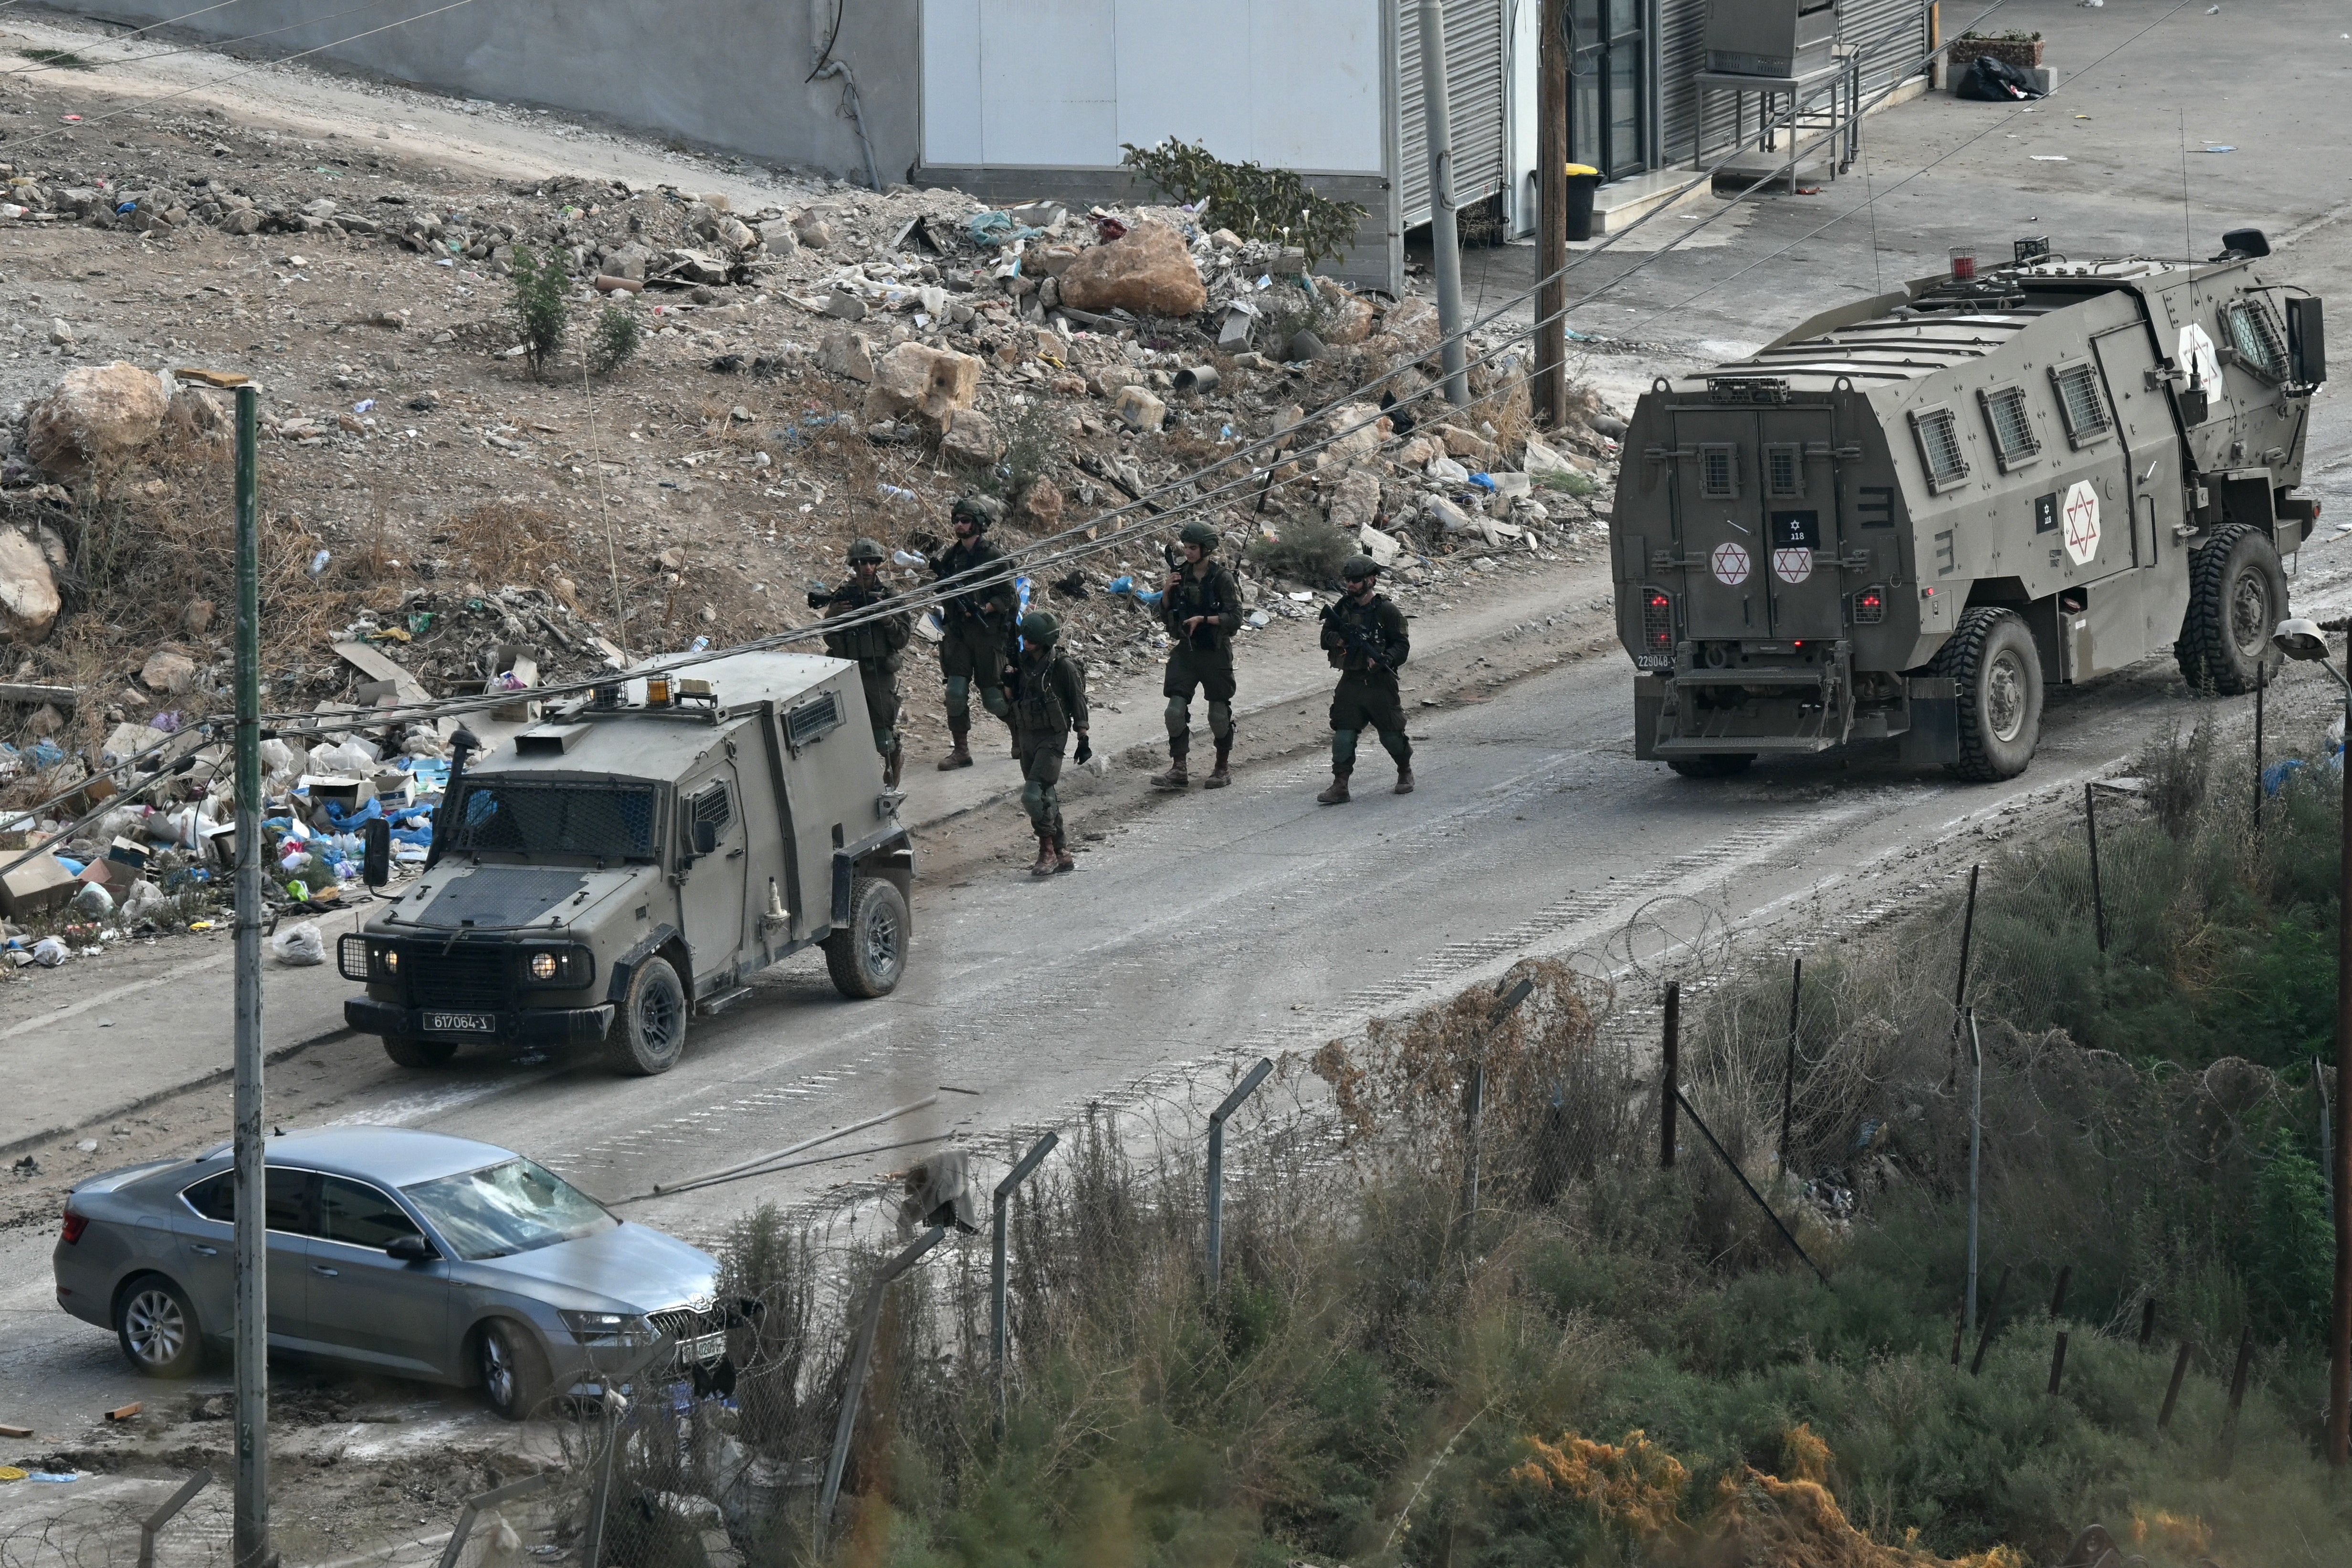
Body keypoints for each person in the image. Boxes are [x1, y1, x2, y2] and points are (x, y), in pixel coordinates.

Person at [1152, 518, 1243, 790]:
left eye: (1193, 548)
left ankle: (1222, 767)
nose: (1188, 553)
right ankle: (1179, 768)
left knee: (1218, 714)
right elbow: (1167, 618)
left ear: (1207, 549)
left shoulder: (1222, 578)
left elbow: (1235, 618)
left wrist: (1204, 619)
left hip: (1215, 652)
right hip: (1187, 652)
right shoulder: (1181, 575)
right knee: (1174, 711)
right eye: (1186, 547)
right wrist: (1167, 593)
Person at [814, 537, 912, 788]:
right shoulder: (844, 596)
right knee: (846, 730)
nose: (867, 567)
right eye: (861, 563)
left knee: (883, 737)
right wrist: (835, 617)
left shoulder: (889, 596)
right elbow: (829, 637)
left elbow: (901, 639)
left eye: (871, 562)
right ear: (853, 565)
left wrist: (886, 619)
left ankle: (893, 765)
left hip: (878, 674)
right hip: (848, 671)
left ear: (878, 564)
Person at [1316, 555, 1413, 804]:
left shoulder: (1387, 610)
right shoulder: (1343, 607)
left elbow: (1402, 646)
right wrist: (1337, 640)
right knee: (1343, 733)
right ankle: (1340, 785)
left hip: (1380, 683)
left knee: (1391, 734)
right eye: (1348, 580)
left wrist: (1386, 659)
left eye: (1356, 580)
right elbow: (1325, 635)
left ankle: (1405, 771)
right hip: (1351, 680)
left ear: (1371, 580)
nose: (1351, 585)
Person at [931, 496, 1019, 769]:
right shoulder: (952, 556)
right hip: (958, 634)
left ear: (979, 524)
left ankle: (1019, 730)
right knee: (955, 692)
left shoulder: (993, 557)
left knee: (993, 698)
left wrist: (985, 608)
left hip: (987, 635)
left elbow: (1010, 598)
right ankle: (961, 751)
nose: (959, 525)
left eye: (965, 520)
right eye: (956, 520)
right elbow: (942, 587)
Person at [1008, 611, 1089, 877]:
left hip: (1053, 736)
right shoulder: (1021, 663)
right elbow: (1011, 698)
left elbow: (1078, 700)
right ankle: (1062, 851)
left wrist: (1082, 736)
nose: (1026, 642)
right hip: (1027, 735)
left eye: (1032, 638)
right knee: (1046, 795)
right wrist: (1007, 680)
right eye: (1025, 637)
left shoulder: (1062, 666)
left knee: (1032, 796)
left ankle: (1047, 851)